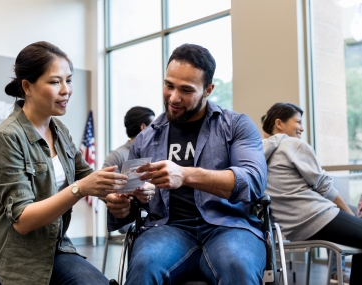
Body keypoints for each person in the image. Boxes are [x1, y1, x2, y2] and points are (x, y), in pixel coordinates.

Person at [106, 44, 268, 285]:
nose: (173, 97)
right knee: (144, 265)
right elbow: (130, 203)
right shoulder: (146, 138)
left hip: (230, 226)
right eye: (169, 85)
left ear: (208, 90)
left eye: (186, 90)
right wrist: (121, 206)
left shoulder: (236, 126)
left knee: (238, 266)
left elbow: (252, 181)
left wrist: (186, 175)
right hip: (167, 229)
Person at [0, 41, 129, 285]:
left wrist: (113, 195)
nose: (66, 90)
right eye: (55, 81)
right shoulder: (7, 137)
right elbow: (23, 220)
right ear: (27, 86)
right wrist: (81, 189)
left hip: (54, 248)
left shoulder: (59, 130)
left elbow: (84, 174)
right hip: (9, 260)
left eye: (69, 80)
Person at [262, 102, 362, 284]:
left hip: (293, 229)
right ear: (279, 123)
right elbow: (324, 187)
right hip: (317, 217)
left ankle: (337, 274)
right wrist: (351, 214)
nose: (302, 128)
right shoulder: (294, 145)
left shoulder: (257, 154)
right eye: (298, 122)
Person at [102, 106, 155, 232]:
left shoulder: (154, 152)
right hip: (130, 215)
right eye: (152, 126)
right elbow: (104, 189)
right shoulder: (117, 155)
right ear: (143, 127)